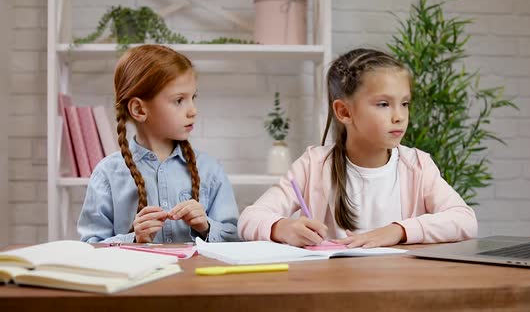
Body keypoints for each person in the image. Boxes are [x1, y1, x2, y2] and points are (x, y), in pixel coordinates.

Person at [238, 48, 478, 248]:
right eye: (384, 104)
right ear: (344, 111)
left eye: (404, 103)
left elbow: (465, 220)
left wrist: (398, 231)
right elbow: (249, 218)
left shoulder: (418, 166)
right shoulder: (313, 165)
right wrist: (284, 228)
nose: (399, 116)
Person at [78, 44, 239, 244]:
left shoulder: (210, 170)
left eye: (193, 97)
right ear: (139, 109)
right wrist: (134, 238)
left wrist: (206, 227)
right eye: (179, 100)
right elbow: (90, 248)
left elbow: (234, 238)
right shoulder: (107, 175)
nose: (193, 110)